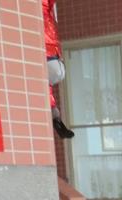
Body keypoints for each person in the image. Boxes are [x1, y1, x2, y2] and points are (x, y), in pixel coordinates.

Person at [42, 0, 74, 138]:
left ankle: (56, 117)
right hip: (51, 53)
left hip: (51, 54)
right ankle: (56, 117)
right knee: (48, 82)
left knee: (48, 82)